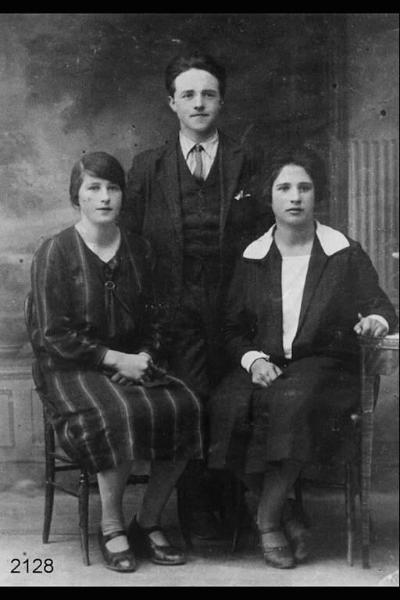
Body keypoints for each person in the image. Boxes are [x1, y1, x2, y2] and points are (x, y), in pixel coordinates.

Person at [208, 143, 398, 568]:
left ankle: (268, 518)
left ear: (318, 195)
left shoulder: (343, 252)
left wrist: (375, 323)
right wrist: (254, 361)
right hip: (268, 364)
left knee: (293, 404)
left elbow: (381, 306)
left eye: (305, 188)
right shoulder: (253, 257)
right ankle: (288, 512)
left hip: (327, 366)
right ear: (269, 197)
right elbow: (232, 329)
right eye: (284, 188)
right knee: (225, 406)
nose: (295, 197)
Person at [121, 51, 273, 539]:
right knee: (190, 402)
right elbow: (131, 243)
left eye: (208, 93)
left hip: (235, 309)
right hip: (174, 310)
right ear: (172, 103)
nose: (199, 103)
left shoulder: (249, 162)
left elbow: (271, 238)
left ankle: (232, 511)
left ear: (222, 101)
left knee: (230, 402)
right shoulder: (148, 166)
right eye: (188, 94)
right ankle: (193, 513)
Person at [29, 151, 203, 572]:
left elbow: (160, 318)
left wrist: (144, 355)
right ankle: (111, 528)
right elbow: (53, 335)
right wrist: (114, 359)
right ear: (78, 197)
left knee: (187, 406)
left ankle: (146, 520)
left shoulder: (141, 250)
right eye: (94, 188)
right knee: (118, 412)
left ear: (123, 195)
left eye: (112, 188)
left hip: (133, 360)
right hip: (73, 368)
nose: (105, 197)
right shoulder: (56, 251)